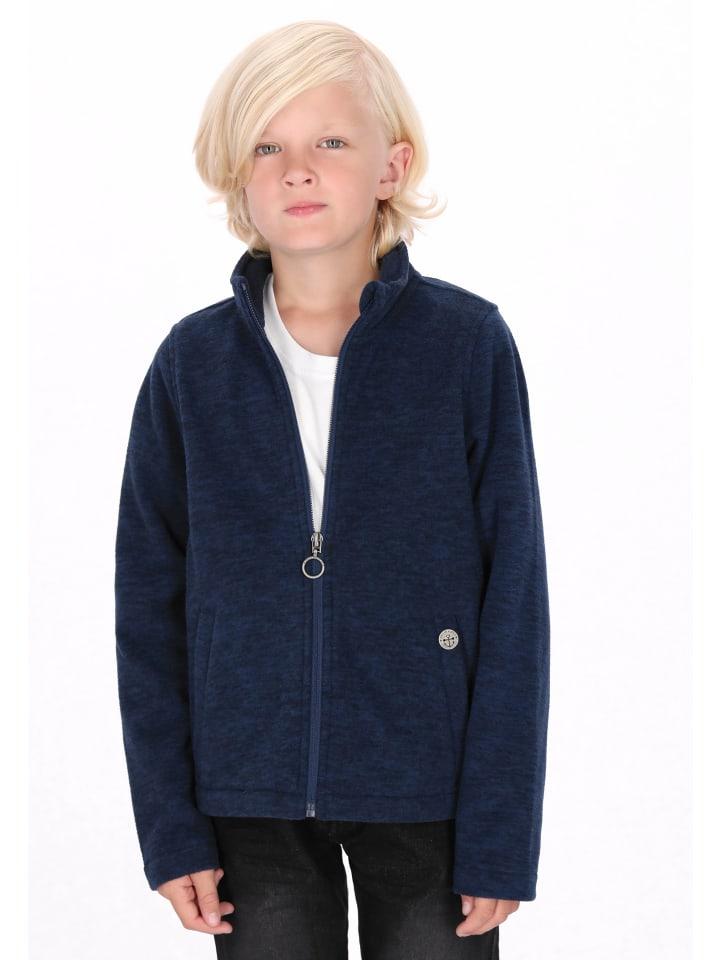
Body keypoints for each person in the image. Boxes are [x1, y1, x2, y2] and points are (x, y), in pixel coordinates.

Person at [114, 19, 551, 960]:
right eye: (266, 147)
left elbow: (515, 592)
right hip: (249, 793)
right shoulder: (193, 365)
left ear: (392, 166)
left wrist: (502, 830)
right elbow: (147, 607)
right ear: (236, 175)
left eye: (331, 142)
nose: (298, 171)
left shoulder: (465, 347)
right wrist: (172, 827)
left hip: (426, 787)